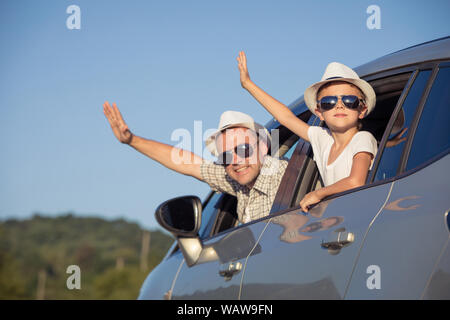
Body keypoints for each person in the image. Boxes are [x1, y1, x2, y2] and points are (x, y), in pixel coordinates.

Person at [237, 51, 378, 212]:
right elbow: (286, 117)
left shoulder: (363, 139)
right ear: (319, 113)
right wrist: (248, 84)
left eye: (349, 101)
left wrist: (319, 194)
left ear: (362, 110)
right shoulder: (322, 139)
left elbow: (355, 182)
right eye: (328, 102)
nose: (339, 105)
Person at [102, 103, 288, 224]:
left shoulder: (286, 175)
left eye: (243, 150)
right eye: (226, 157)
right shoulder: (236, 181)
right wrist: (132, 140)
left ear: (263, 146)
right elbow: (188, 163)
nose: (236, 161)